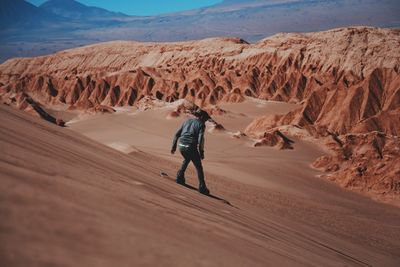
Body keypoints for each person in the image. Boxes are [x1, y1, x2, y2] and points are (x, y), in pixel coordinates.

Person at [171, 110, 211, 195]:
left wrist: (174, 146)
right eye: (205, 119)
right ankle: (202, 186)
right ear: (202, 117)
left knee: (187, 158)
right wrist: (201, 152)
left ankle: (180, 176)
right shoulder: (201, 124)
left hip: (181, 145)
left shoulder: (187, 121)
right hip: (190, 146)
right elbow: (200, 140)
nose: (205, 121)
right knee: (198, 166)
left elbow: (176, 134)